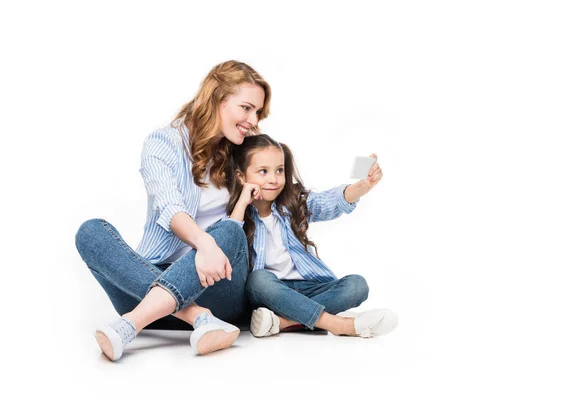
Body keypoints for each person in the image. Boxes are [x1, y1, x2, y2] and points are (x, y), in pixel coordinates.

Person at [75, 60, 271, 361]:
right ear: (217, 98)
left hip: (217, 286)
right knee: (90, 231)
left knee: (230, 230)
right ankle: (198, 318)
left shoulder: (245, 151)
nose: (253, 120)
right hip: (147, 285)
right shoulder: (163, 143)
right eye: (246, 108)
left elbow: (291, 195)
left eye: (257, 112)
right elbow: (170, 210)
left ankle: (129, 326)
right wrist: (204, 243)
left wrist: (351, 193)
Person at [226, 134, 398, 338]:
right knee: (258, 280)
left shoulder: (292, 203)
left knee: (357, 285)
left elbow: (328, 203)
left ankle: (284, 322)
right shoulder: (235, 212)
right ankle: (338, 324)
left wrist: (361, 187)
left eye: (279, 171)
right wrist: (242, 204)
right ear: (241, 176)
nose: (273, 179)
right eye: (263, 171)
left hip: (310, 287)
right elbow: (229, 240)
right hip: (270, 293)